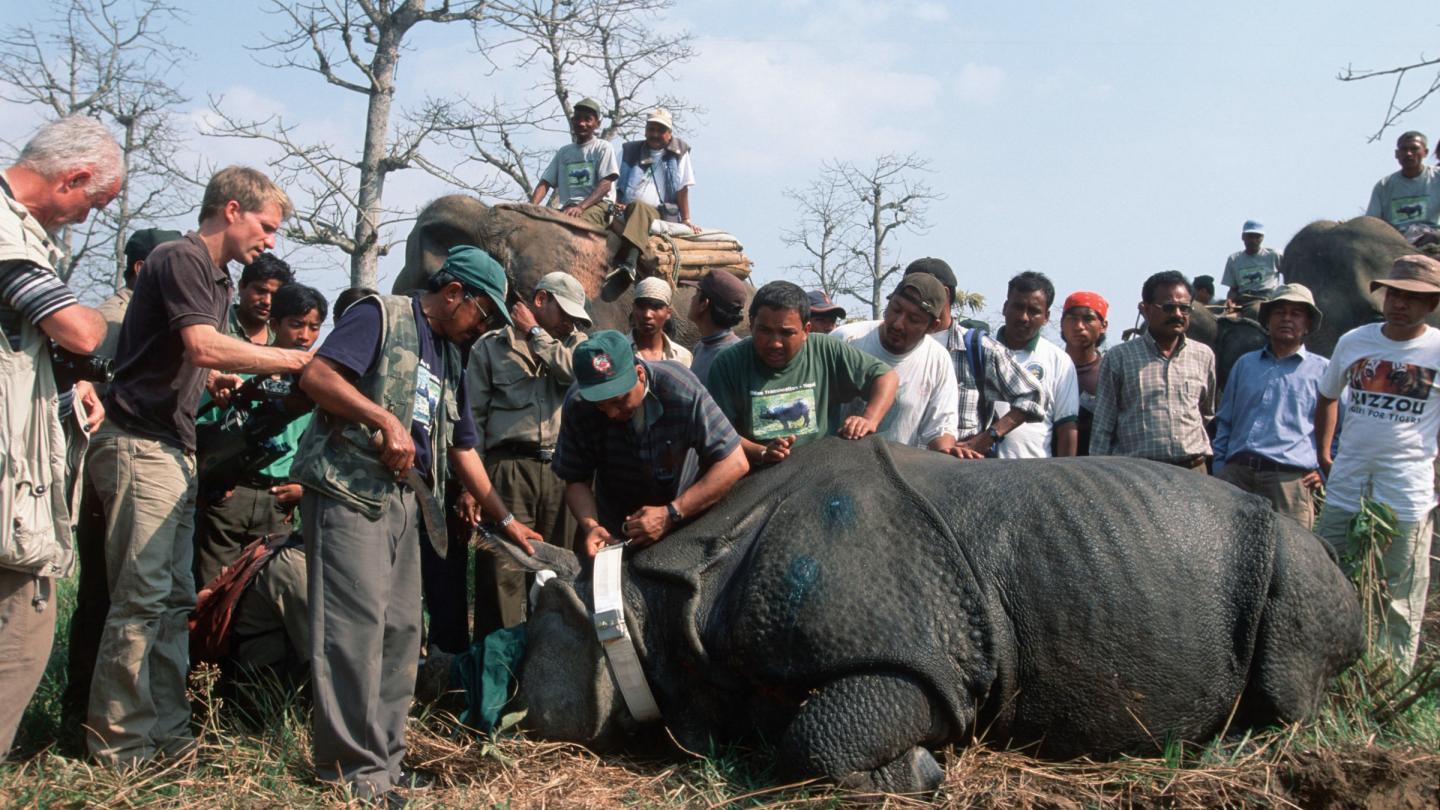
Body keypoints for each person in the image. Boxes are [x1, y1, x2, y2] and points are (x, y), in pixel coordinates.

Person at [291, 245, 541, 802]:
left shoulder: (453, 357)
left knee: (403, 633)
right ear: (454, 293)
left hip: (408, 503)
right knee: (352, 634)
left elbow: (464, 448)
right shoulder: (380, 315)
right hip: (349, 492)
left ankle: (386, 763)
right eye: (484, 314)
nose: (486, 328)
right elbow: (317, 376)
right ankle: (351, 772)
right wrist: (381, 417)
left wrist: (505, 522)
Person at [87, 166, 312, 767]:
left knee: (173, 602)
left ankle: (166, 735)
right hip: (140, 444)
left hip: (174, 450)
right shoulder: (181, 258)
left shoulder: (215, 280)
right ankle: (120, 747)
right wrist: (289, 361)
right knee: (140, 602)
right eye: (266, 226)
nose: (271, 241)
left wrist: (216, 378)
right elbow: (201, 344)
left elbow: (186, 355)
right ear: (232, 210)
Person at [0, 115, 120, 759]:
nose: (84, 218)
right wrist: (87, 342)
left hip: (16, 460)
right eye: (92, 202)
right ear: (71, 177)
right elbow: (79, 329)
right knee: (27, 611)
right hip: (8, 475)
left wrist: (73, 380)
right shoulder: (8, 235)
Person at [422, 272, 591, 653]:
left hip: (563, 474)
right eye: (562, 311)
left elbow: (575, 372)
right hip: (506, 471)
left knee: (559, 580)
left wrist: (537, 336)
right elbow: (472, 423)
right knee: (500, 583)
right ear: (540, 300)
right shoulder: (490, 347)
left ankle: (549, 678)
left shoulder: (576, 346)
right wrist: (470, 487)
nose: (569, 322)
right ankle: (496, 689)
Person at [61, 227, 182, 746]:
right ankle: (84, 727)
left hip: (139, 471)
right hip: (109, 474)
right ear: (142, 270)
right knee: (107, 602)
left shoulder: (148, 314)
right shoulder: (117, 317)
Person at [1313, 255, 1440, 670]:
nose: (1400, 303)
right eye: (1394, 293)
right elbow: (1327, 395)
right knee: (1331, 581)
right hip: (1347, 487)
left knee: (1399, 597)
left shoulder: (1437, 349)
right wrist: (1324, 453)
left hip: (1406, 491)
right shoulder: (1355, 341)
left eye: (1413, 297)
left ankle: (1389, 683)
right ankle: (1333, 678)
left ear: (1432, 303)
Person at [553, 330, 748, 556]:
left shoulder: (680, 387)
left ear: (639, 374)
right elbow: (575, 480)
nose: (612, 414)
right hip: (615, 527)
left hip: (685, 519)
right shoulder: (578, 403)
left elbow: (735, 462)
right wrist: (592, 526)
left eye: (619, 400)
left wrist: (671, 514)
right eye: (600, 405)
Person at [193, 283, 327, 587]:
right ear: (275, 323)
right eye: (296, 324)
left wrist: (304, 488)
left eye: (314, 327)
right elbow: (207, 430)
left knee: (264, 588)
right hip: (230, 494)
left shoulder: (319, 383)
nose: (304, 335)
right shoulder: (242, 366)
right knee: (213, 589)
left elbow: (322, 444)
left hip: (279, 500)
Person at [706, 281, 898, 466]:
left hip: (820, 471)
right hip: (755, 475)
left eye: (786, 333)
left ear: (806, 331)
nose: (775, 343)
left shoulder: (825, 349)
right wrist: (762, 452)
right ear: (751, 325)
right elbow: (719, 432)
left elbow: (886, 376)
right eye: (764, 331)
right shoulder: (728, 363)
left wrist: (869, 419)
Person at [1211, 284, 1327, 529]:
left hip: (1290, 483)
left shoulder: (1323, 371)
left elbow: (1342, 427)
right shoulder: (1245, 364)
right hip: (1237, 477)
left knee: (1292, 560)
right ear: (1267, 320)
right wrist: (1221, 467)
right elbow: (1225, 420)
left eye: (1295, 314)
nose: (1286, 319)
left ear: (1307, 324)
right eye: (1279, 312)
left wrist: (1325, 470)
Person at [906, 257, 1045, 457]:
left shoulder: (978, 348)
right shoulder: (893, 341)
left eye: (919, 291)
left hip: (960, 471)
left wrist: (987, 438)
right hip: (903, 465)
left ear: (945, 294)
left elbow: (1033, 396)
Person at [1090, 271, 1216, 468]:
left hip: (1194, 471)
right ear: (1146, 309)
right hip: (1139, 474)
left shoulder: (1203, 355)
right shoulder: (1119, 357)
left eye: (1184, 308)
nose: (1177, 314)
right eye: (1168, 307)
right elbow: (1103, 426)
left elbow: (1206, 413)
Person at [831, 273, 960, 453]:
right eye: (895, 310)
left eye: (913, 320)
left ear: (932, 327)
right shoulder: (846, 339)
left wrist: (951, 455)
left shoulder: (938, 360)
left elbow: (940, 429)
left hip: (893, 471)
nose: (898, 324)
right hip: (832, 464)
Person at [990, 272, 1079, 458]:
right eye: (1018, 307)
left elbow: (1066, 426)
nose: (1023, 317)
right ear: (1005, 307)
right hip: (977, 469)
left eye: (1033, 311)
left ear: (1046, 317)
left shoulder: (1058, 360)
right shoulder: (982, 351)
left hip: (1034, 475)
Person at [618, 107, 699, 232]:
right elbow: (612, 184)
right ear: (645, 131)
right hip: (627, 209)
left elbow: (683, 188)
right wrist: (616, 203)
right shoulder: (630, 151)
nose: (655, 134)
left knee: (638, 208)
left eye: (660, 130)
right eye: (651, 129)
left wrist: (686, 219)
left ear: (669, 133)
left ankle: (631, 251)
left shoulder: (679, 152)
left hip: (660, 213)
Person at [1058, 291, 1109, 456]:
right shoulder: (1051, 368)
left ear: (1103, 326)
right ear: (1061, 324)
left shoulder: (1109, 372)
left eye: (1088, 319)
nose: (1079, 326)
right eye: (1072, 318)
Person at [1366, 130, 1440, 235]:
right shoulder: (1384, 186)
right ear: (1397, 154)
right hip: (1396, 242)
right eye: (1404, 149)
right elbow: (1372, 223)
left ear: (1425, 152)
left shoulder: (1437, 178)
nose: (1408, 153)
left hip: (1433, 239)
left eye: (1414, 149)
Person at [687, 269, 746, 384]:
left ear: (704, 304)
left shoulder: (735, 355)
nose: (692, 299)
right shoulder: (700, 347)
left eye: (696, 294)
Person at [229, 252, 294, 345]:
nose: (267, 301)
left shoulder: (281, 340)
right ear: (242, 286)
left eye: (275, 296)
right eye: (261, 291)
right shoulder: (214, 323)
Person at [630, 276, 692, 366]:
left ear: (668, 313)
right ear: (633, 308)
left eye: (656, 307)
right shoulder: (616, 351)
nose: (647, 315)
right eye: (641, 307)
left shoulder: (683, 358)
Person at [1221, 220, 1282, 307]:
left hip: (1265, 299)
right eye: (1250, 236)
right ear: (1243, 237)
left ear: (1262, 238)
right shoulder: (1234, 259)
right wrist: (1229, 300)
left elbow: (1290, 273)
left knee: (1254, 310)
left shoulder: (1273, 255)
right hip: (1242, 298)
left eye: (1257, 237)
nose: (1253, 240)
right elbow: (1233, 289)